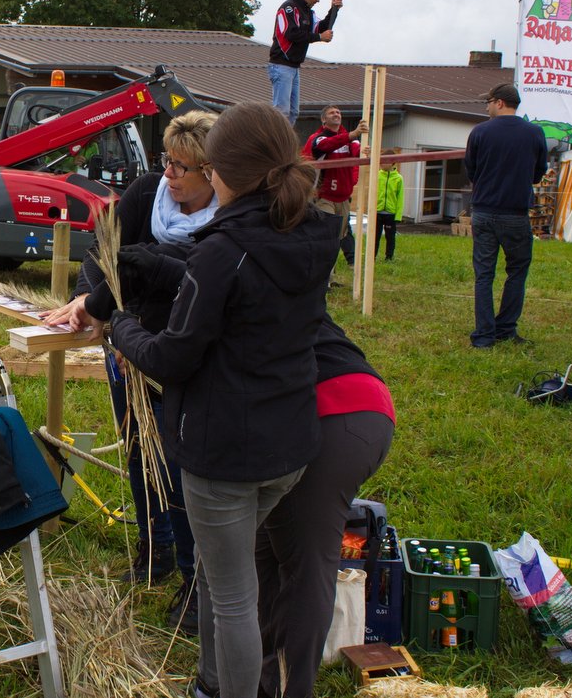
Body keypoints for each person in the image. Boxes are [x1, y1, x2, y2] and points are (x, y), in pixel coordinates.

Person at [108, 102, 339, 698]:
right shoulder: (314, 232)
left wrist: (118, 325)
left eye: (207, 171)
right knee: (220, 573)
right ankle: (211, 684)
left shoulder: (224, 249)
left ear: (223, 173)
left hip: (226, 453)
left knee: (234, 593)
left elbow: (171, 357)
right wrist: (164, 273)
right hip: (288, 443)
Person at [42, 111, 218, 633]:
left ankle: (193, 581)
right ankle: (155, 550)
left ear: (212, 172)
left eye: (183, 167)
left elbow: (190, 294)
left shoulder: (225, 223)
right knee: (141, 451)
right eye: (168, 161)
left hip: (175, 361)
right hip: (126, 351)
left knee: (182, 470)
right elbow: (104, 256)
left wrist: (133, 330)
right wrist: (87, 298)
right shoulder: (145, 195)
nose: (170, 175)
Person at [255, 314, 395, 698]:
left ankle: (288, 688)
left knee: (306, 564)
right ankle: (264, 673)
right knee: (264, 545)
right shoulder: (277, 274)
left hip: (335, 414)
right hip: (362, 405)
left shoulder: (220, 284)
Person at [464, 83, 548, 348]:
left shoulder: (479, 132)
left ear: (499, 102)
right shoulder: (535, 133)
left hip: (484, 212)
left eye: (487, 102)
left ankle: (484, 335)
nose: (486, 107)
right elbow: (538, 172)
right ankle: (506, 328)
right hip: (516, 214)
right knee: (517, 272)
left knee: (484, 275)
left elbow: (471, 170)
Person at [269, 0, 341, 127]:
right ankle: (277, 144)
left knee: (293, 112)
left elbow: (321, 26)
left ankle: (286, 144)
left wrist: (334, 9)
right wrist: (319, 37)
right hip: (281, 65)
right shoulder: (288, 8)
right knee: (281, 111)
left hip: (294, 67)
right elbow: (291, 34)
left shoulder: (308, 12)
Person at [303, 106, 368, 269]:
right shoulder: (318, 138)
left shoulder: (350, 140)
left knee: (338, 238)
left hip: (344, 197)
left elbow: (357, 151)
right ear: (323, 120)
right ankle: (323, 278)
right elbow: (325, 146)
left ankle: (329, 277)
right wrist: (353, 133)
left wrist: (365, 151)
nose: (336, 114)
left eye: (338, 112)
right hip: (324, 196)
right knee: (325, 235)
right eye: (332, 113)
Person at [374, 158, 405, 261]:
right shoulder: (377, 175)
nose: (381, 163)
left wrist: (398, 215)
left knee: (390, 237)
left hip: (390, 213)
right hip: (377, 212)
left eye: (384, 161)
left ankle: (389, 257)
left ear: (392, 163)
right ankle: (372, 256)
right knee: (375, 237)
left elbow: (400, 198)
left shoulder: (398, 178)